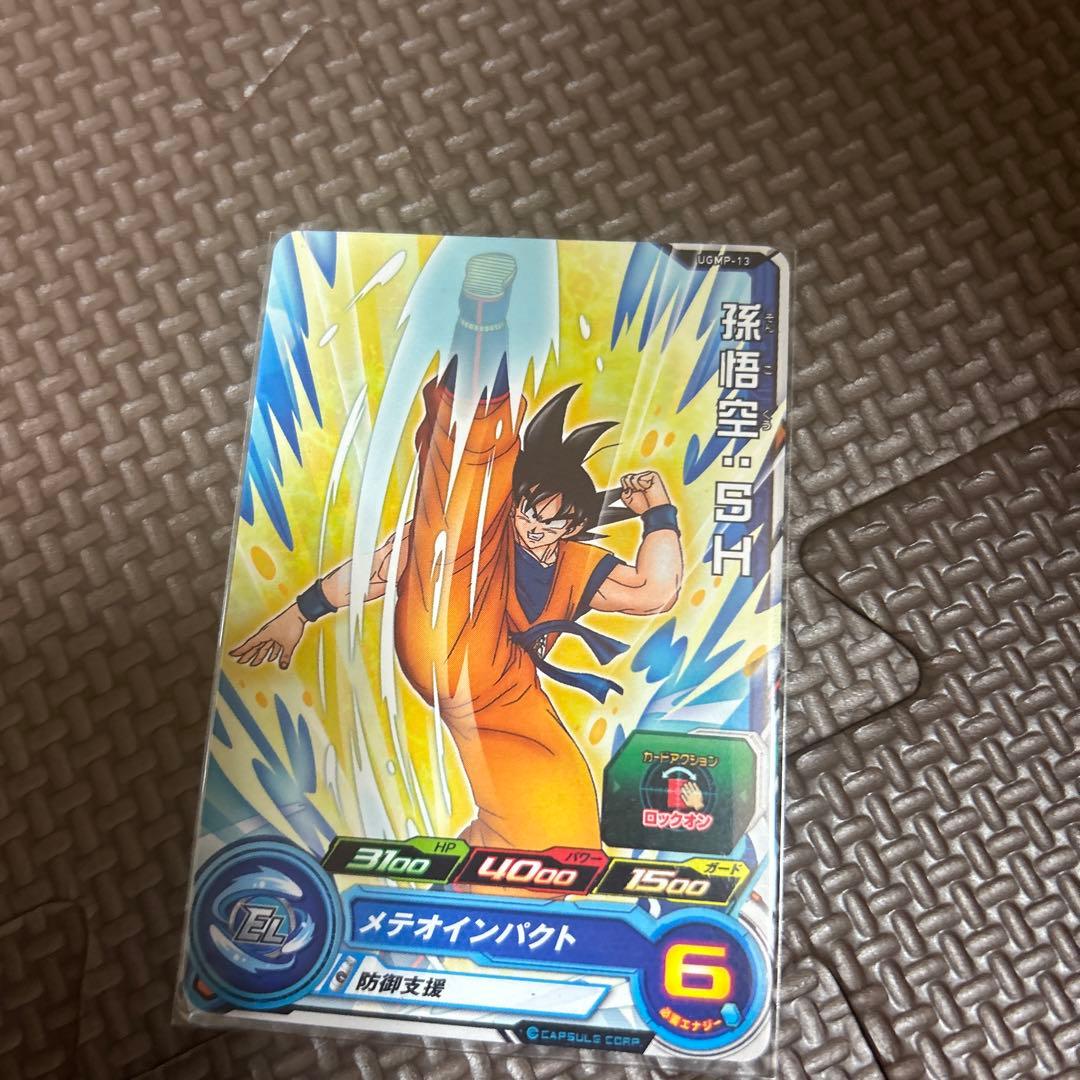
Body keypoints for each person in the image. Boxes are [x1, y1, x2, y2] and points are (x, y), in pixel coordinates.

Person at [231, 255, 683, 852]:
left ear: (573, 527)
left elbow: (653, 591)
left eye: (553, 525)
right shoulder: (477, 529)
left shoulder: (573, 565)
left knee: (564, 828)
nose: (535, 530)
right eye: (529, 512)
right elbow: (379, 570)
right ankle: (482, 323)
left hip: (506, 696)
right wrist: (301, 612)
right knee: (469, 477)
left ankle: (471, 867)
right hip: (443, 626)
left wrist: (659, 513)